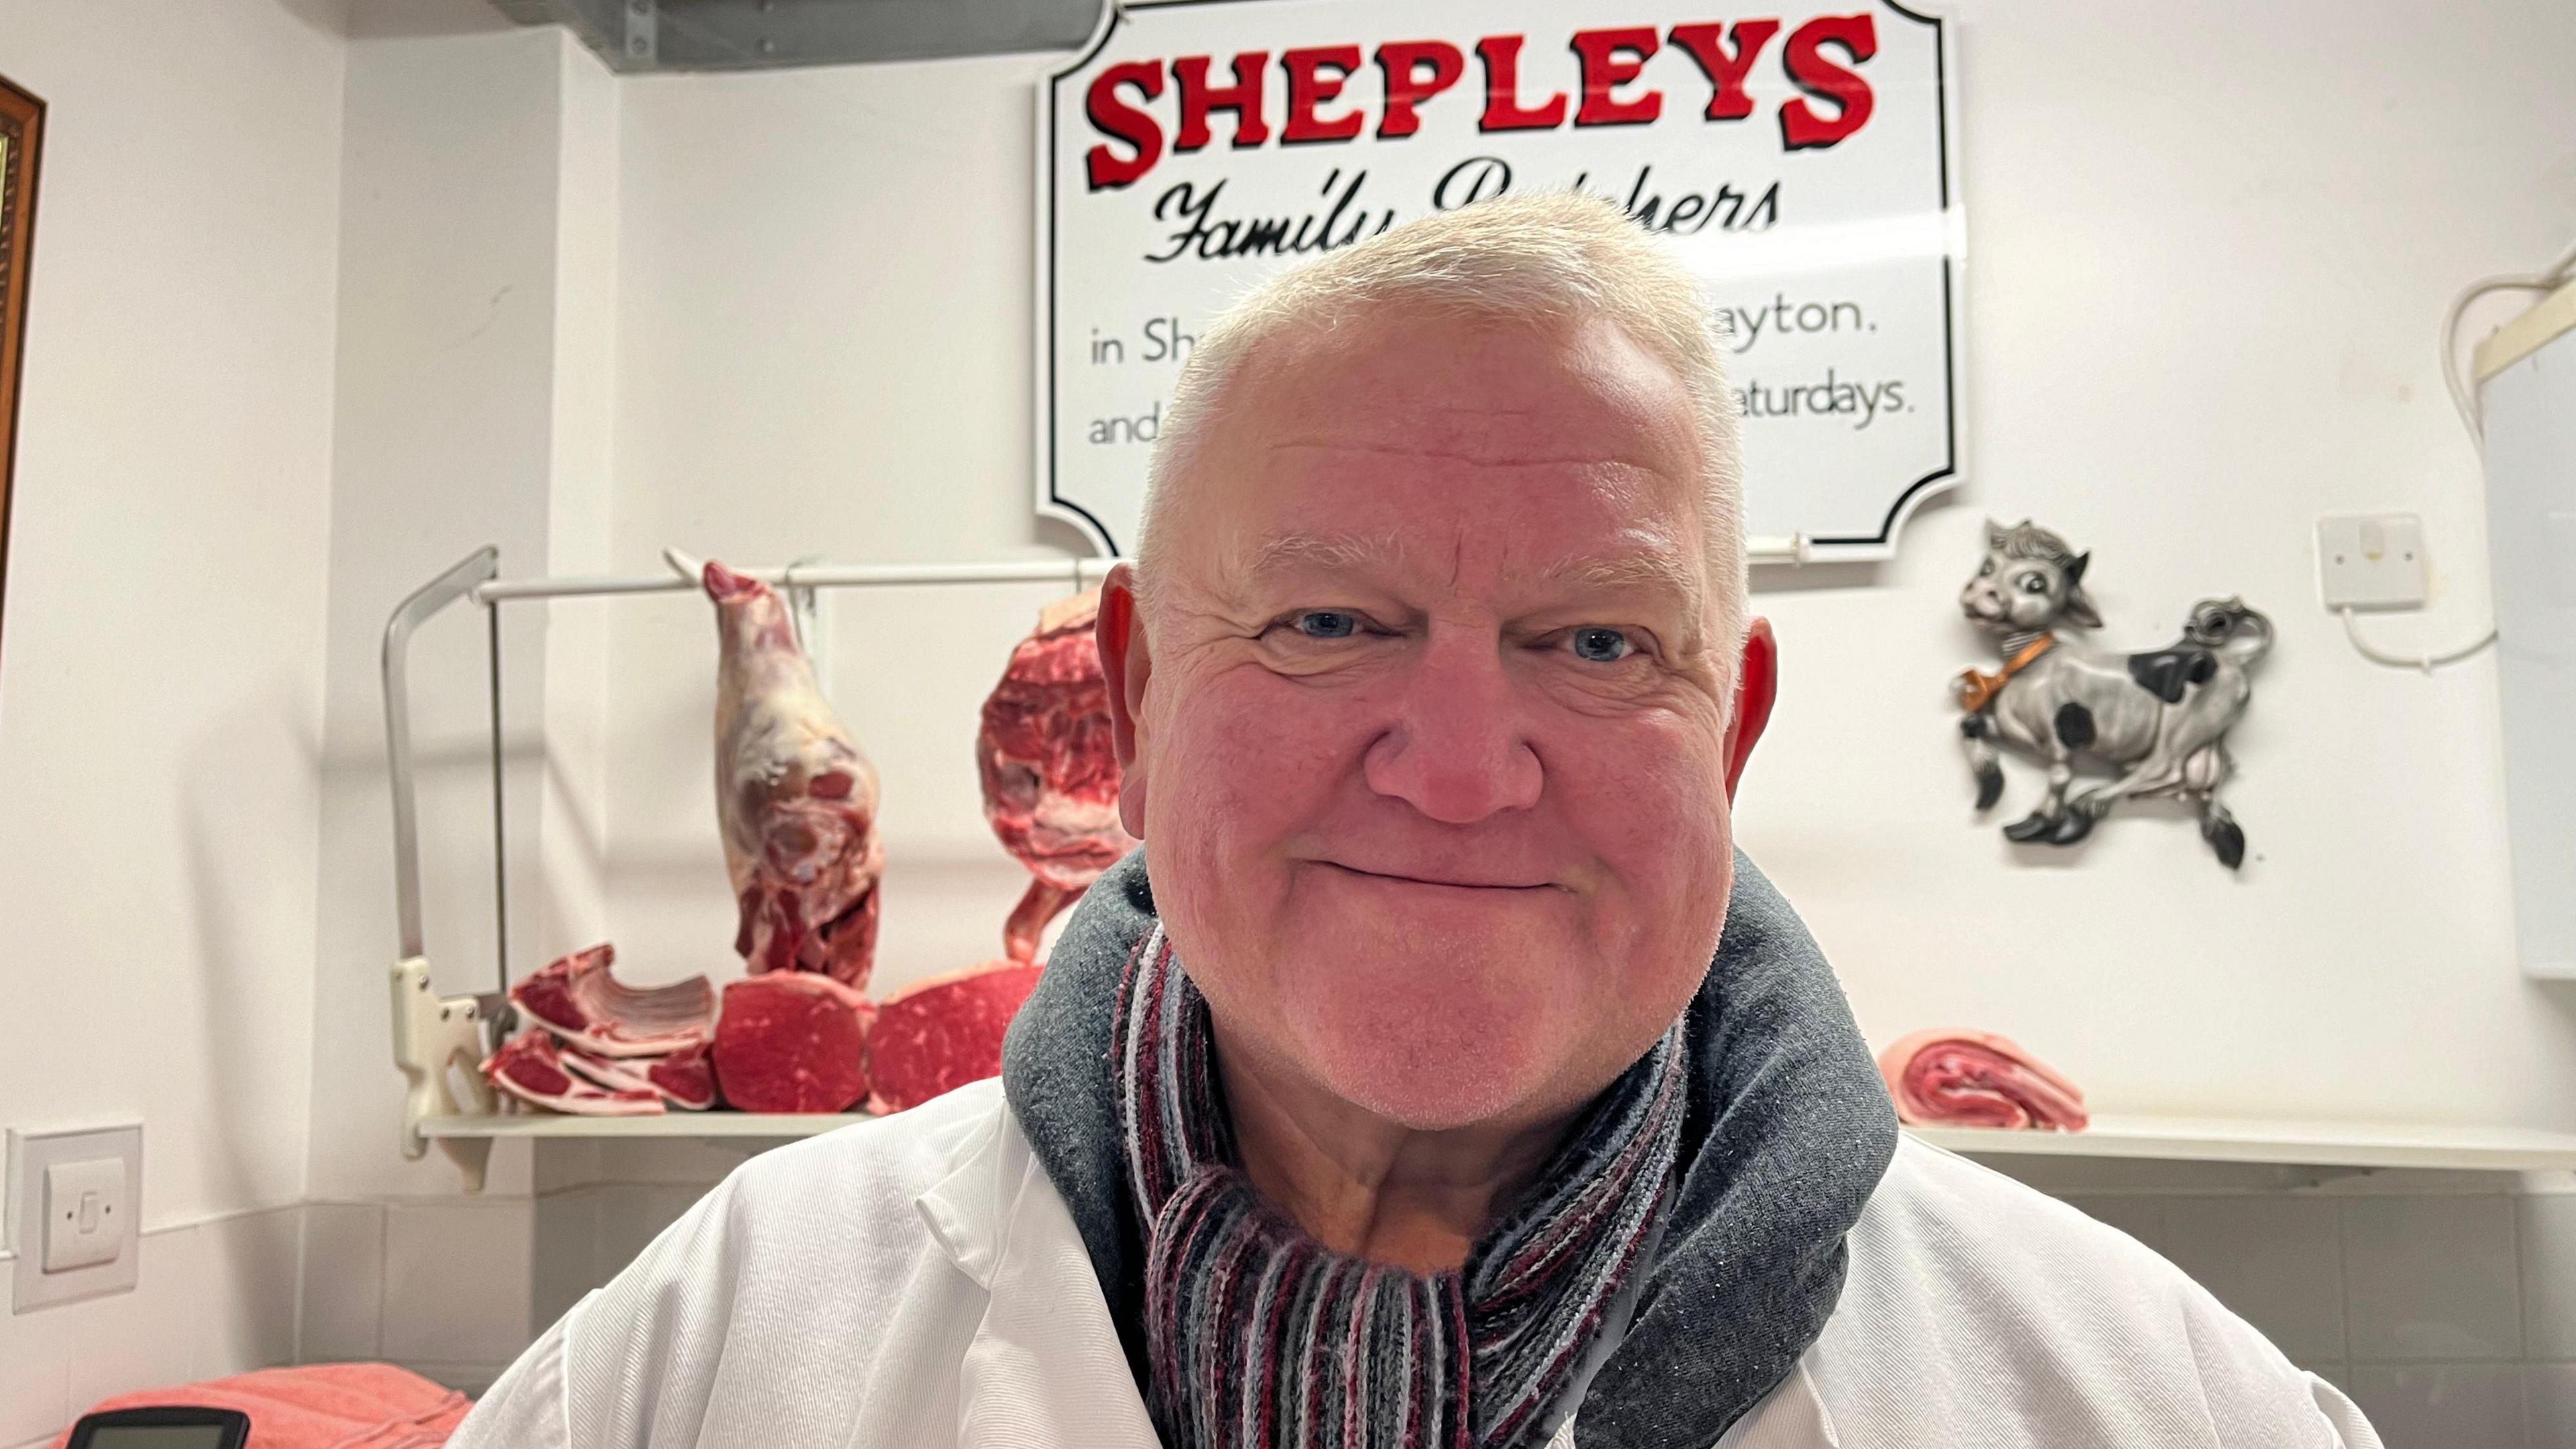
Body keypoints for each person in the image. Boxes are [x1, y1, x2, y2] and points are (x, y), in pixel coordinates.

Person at [450, 195, 2379, 1448]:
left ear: (1729, 732)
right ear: (1131, 699)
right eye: (1324, 622)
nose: (1460, 768)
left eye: (1600, 637)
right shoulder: (715, 1353)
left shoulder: (2137, 1396)